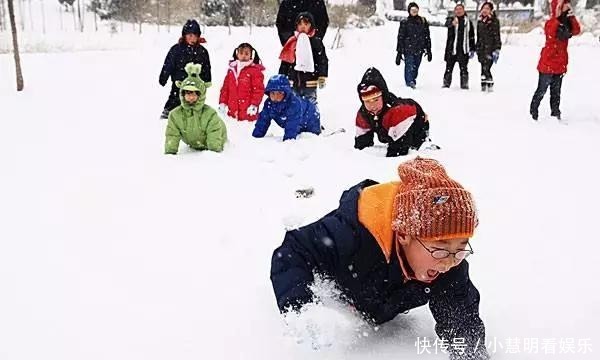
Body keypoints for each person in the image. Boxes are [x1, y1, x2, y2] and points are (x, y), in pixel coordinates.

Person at [270, 157, 489, 360]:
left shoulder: (448, 266)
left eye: (461, 247)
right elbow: (292, 252)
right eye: (440, 248)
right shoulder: (349, 235)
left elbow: (462, 317)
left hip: (376, 302)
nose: (450, 261)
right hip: (341, 285)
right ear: (404, 235)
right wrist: (303, 308)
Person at [354, 67, 429, 157]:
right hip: (387, 130)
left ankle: (426, 145)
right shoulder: (363, 113)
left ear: (383, 96)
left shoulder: (397, 112)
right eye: (367, 101)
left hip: (416, 125)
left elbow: (398, 151)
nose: (372, 105)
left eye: (376, 100)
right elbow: (362, 143)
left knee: (411, 152)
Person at [530, 0, 581, 122]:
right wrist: (558, 16)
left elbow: (577, 31)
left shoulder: (568, 22)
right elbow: (551, 34)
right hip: (548, 62)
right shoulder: (550, 23)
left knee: (556, 92)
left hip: (560, 62)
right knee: (542, 89)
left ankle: (555, 113)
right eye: (563, 4)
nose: (566, 6)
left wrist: (572, 16)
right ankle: (533, 111)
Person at [164, 63, 227, 155]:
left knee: (215, 133)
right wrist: (170, 152)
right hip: (194, 142)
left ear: (200, 95)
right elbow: (172, 134)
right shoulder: (175, 115)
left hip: (218, 137)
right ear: (182, 94)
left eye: (194, 93)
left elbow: (214, 131)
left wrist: (213, 153)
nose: (191, 97)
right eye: (188, 93)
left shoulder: (210, 114)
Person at [159, 19, 212, 119]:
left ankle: (193, 118)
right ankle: (168, 114)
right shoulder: (176, 49)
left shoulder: (202, 51)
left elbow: (206, 67)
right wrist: (163, 77)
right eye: (190, 35)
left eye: (195, 36)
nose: (192, 38)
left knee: (194, 101)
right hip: (179, 82)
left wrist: (207, 80)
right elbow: (168, 64)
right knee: (175, 98)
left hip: (195, 84)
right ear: (184, 35)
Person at [279, 12, 329, 106]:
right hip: (293, 80)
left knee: (310, 105)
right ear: (296, 26)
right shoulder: (292, 41)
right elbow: (286, 61)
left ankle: (311, 120)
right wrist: (282, 76)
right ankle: (295, 120)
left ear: (311, 26)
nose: (303, 26)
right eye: (300, 24)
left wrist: (322, 75)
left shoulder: (316, 42)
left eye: (306, 24)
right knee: (293, 105)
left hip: (310, 81)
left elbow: (322, 60)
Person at [252, 74, 321, 141]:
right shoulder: (269, 104)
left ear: (286, 93)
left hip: (310, 117)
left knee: (310, 138)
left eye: (279, 93)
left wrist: (288, 141)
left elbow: (292, 124)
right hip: (297, 122)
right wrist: (256, 137)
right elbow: (263, 120)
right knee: (297, 130)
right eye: (272, 93)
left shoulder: (293, 104)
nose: (275, 96)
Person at [218, 43, 265, 122]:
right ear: (237, 54)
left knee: (245, 131)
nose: (243, 56)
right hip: (232, 112)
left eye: (246, 53)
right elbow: (225, 88)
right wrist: (223, 102)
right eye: (241, 53)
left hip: (248, 113)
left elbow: (258, 90)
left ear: (251, 55)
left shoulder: (255, 71)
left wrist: (254, 104)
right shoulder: (232, 69)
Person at [395, 2, 432, 89]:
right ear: (409, 11)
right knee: (409, 65)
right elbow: (400, 37)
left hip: (419, 49)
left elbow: (427, 36)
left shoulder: (423, 22)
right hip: (408, 49)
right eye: (412, 10)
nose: (414, 11)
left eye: (416, 10)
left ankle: (412, 79)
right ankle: (409, 82)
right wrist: (399, 52)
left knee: (416, 67)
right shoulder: (405, 22)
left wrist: (429, 50)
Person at [443, 4, 475, 89]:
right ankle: (446, 84)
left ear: (464, 11)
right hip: (452, 49)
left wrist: (472, 48)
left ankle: (464, 84)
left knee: (464, 69)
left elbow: (472, 36)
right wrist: (451, 23)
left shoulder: (468, 22)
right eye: (457, 9)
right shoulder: (451, 20)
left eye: (460, 9)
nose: (458, 11)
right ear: (454, 11)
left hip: (463, 49)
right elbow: (446, 24)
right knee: (449, 68)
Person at [475, 2, 501, 92]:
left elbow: (497, 36)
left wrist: (497, 49)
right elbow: (478, 36)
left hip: (491, 49)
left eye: (487, 8)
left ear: (491, 10)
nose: (485, 10)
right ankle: (483, 84)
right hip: (481, 48)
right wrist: (476, 47)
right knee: (483, 66)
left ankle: (490, 84)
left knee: (487, 67)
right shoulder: (480, 21)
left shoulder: (494, 21)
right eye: (483, 8)